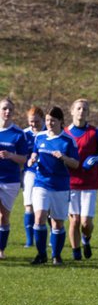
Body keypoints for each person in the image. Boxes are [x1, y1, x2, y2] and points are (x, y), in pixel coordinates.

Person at [28, 105, 81, 265]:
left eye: (53, 120)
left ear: (61, 122)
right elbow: (35, 152)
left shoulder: (68, 140)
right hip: (41, 183)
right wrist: (32, 159)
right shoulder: (40, 137)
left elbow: (76, 164)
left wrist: (64, 157)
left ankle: (56, 255)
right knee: (39, 217)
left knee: (58, 222)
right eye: (47, 120)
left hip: (60, 186)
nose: (49, 123)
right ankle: (41, 254)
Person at [66, 97, 98, 260]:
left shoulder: (94, 132)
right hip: (70, 183)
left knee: (85, 223)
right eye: (78, 108)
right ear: (72, 111)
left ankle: (86, 239)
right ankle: (76, 252)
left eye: (84, 109)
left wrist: (93, 160)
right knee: (74, 221)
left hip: (90, 184)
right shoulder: (65, 133)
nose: (81, 111)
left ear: (88, 112)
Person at [0, 97, 34, 259]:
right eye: (4, 108)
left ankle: (1, 250)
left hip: (10, 180)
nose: (7, 112)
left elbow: (24, 159)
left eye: (10, 110)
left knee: (3, 216)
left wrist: (10, 155)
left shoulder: (18, 134)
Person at [22, 106, 44, 249]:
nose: (34, 124)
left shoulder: (48, 133)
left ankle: (46, 237)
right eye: (31, 121)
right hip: (29, 173)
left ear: (42, 119)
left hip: (45, 173)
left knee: (44, 207)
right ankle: (30, 240)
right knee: (29, 205)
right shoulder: (24, 134)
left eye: (36, 121)